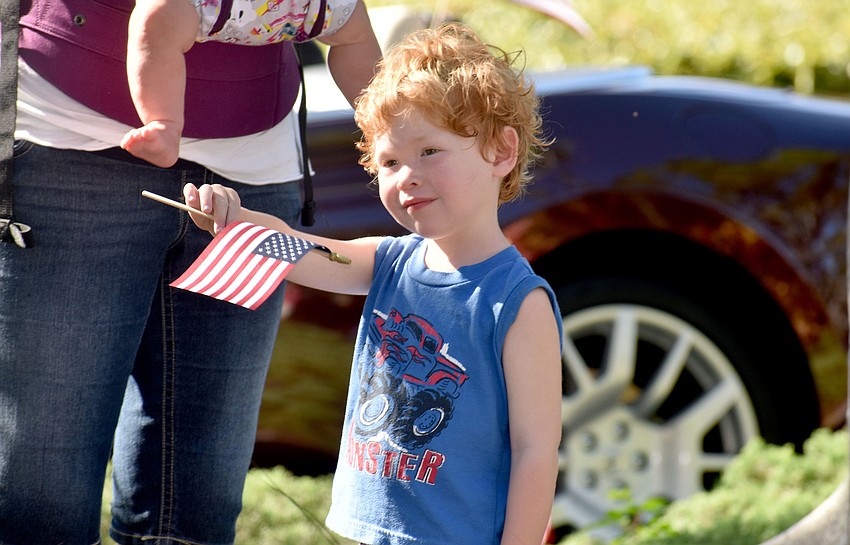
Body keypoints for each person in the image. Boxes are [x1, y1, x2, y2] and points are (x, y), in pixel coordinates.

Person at [0, 0, 380, 544]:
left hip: (257, 159)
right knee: (42, 493)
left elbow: (357, 44)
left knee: (199, 500)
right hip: (69, 133)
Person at [183, 22, 564, 545]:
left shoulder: (518, 302)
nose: (406, 175)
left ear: (500, 151)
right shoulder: (388, 262)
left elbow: (536, 449)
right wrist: (237, 221)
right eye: (389, 161)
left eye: (430, 151)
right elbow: (300, 251)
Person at [122, 0, 369, 168]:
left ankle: (165, 124)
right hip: (298, 7)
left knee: (157, 22)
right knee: (354, 35)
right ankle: (379, 122)